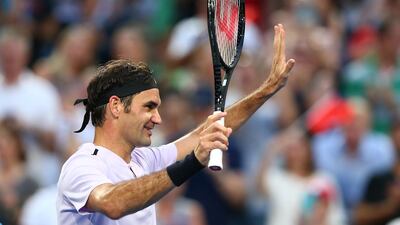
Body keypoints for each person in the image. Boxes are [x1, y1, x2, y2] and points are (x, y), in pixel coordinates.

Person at [56, 24, 295, 225]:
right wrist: (191, 163)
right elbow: (113, 203)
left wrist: (267, 90)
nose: (158, 118)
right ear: (116, 106)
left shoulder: (143, 160)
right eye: (148, 107)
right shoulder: (83, 165)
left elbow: (205, 132)